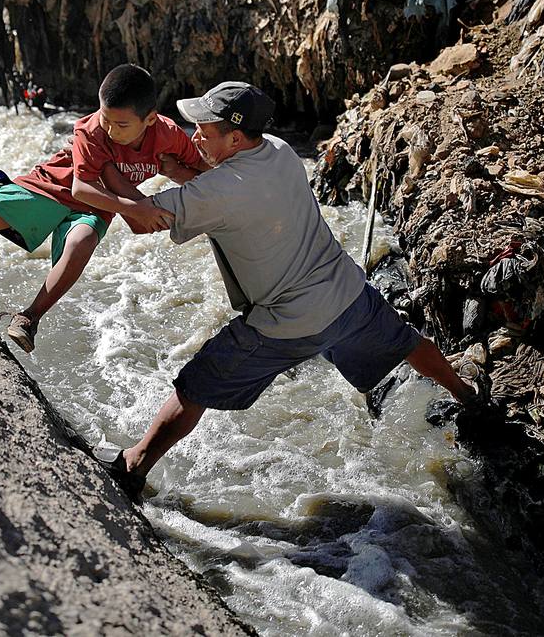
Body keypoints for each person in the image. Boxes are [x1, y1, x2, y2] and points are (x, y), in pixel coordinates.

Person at [108, 81, 486, 499]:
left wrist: (106, 173)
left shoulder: (216, 192)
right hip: (347, 295)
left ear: (235, 137)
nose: (195, 137)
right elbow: (232, 185)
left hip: (287, 324)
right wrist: (178, 171)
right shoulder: (278, 150)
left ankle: (134, 464)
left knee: (194, 386)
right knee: (407, 342)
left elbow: (146, 218)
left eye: (205, 130)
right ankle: (468, 397)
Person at [0, 64, 206, 352]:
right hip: (51, 187)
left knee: (83, 241)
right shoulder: (90, 130)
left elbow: (202, 172)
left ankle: (29, 317)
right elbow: (81, 187)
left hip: (94, 209)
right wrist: (137, 209)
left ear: (150, 119)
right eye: (106, 119)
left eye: (122, 125)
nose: (112, 131)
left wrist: (179, 174)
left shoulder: (169, 136)